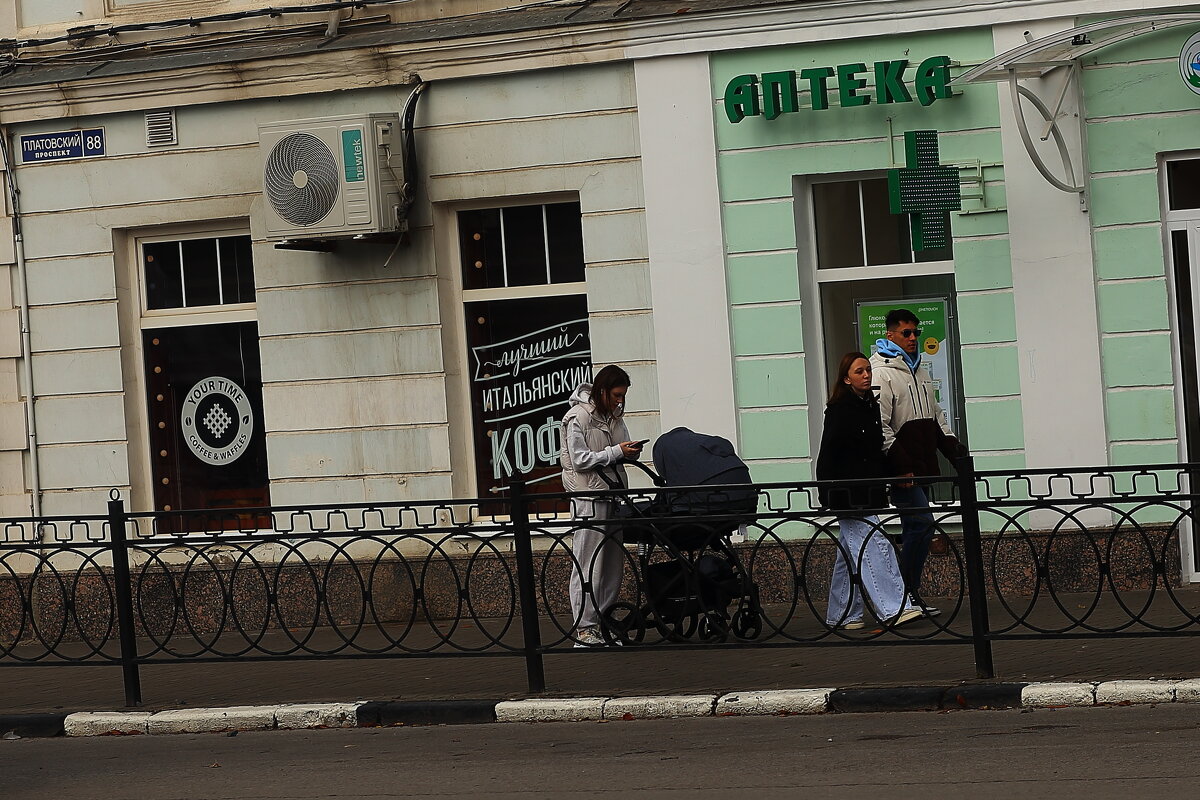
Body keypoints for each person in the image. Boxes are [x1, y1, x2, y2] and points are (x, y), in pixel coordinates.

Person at [870, 309, 967, 617]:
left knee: (919, 529)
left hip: (922, 465)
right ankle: (902, 594)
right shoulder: (880, 372)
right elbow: (879, 425)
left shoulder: (919, 370)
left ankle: (900, 594)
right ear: (890, 335)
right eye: (906, 333)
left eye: (916, 333)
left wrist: (957, 453)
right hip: (901, 469)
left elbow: (936, 417)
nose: (913, 338)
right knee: (921, 524)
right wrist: (900, 464)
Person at [816, 352, 922, 630]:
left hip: (868, 490)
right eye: (859, 372)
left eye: (867, 371)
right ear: (846, 378)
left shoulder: (870, 407)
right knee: (875, 544)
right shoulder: (840, 409)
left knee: (850, 555)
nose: (866, 375)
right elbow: (828, 453)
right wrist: (828, 491)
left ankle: (842, 614)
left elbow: (875, 451)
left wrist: (893, 474)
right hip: (847, 494)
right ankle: (894, 607)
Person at [560, 365, 645, 647]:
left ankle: (603, 621)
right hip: (588, 498)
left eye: (624, 396)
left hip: (613, 496)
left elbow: (616, 450)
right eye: (617, 395)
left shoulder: (614, 416)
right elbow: (580, 459)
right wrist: (617, 452)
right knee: (588, 564)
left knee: (611, 564)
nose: (620, 401)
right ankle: (584, 629)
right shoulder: (577, 417)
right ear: (603, 391)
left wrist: (628, 450)